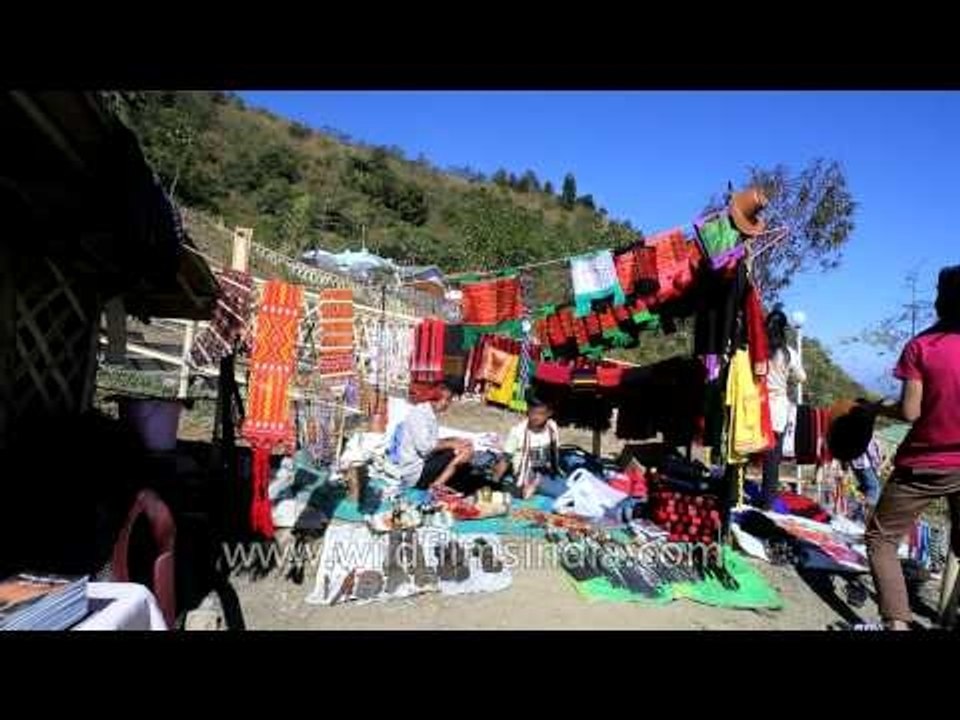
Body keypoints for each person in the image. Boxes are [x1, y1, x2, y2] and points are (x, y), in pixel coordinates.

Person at [864, 265, 960, 630]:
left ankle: (897, 624)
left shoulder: (921, 346)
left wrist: (876, 408)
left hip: (924, 463)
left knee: (881, 538)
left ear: (940, 299)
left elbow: (909, 411)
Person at [761, 306, 807, 509]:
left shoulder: (759, 349)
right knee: (772, 457)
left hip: (757, 404)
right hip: (778, 407)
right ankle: (767, 501)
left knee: (745, 450)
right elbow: (801, 377)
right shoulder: (788, 354)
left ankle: (735, 491)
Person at [396, 382, 478, 493]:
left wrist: (454, 440)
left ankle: (443, 483)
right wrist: (452, 444)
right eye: (446, 399)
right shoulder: (419, 414)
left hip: (422, 463)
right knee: (461, 452)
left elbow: (430, 441)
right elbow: (425, 448)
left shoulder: (428, 413)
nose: (447, 404)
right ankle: (436, 486)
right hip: (414, 472)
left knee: (464, 450)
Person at [491, 396, 565, 499]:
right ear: (527, 411)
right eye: (533, 412)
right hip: (526, 473)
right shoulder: (517, 431)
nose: (536, 417)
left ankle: (531, 488)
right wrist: (493, 484)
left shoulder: (552, 427)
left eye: (541, 413)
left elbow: (554, 453)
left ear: (549, 414)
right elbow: (506, 459)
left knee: (571, 485)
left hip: (546, 471)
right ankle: (526, 488)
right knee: (562, 493)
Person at [845, 436, 883, 515]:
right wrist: (877, 465)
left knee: (864, 487)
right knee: (873, 488)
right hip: (865, 464)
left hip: (855, 462)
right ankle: (863, 515)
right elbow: (872, 451)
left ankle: (856, 509)